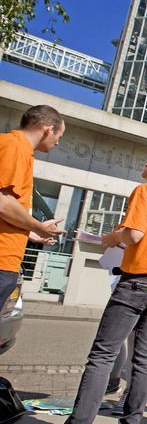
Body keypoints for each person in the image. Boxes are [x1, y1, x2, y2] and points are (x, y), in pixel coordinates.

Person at [65, 150, 147, 424]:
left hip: (139, 280)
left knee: (103, 354)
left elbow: (135, 234)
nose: (146, 161)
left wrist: (113, 236)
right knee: (146, 356)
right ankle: (130, 423)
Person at [0, 105, 65, 310]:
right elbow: (3, 204)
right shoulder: (15, 146)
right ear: (48, 129)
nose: (58, 142)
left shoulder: (19, 149)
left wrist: (29, 232)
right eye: (58, 135)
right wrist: (38, 226)